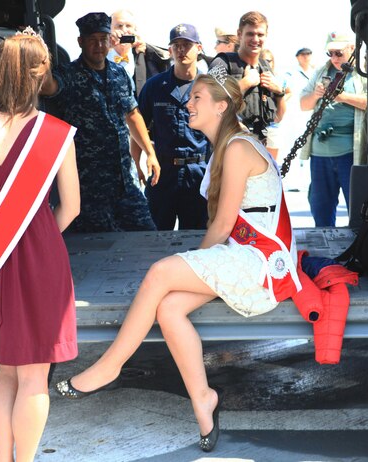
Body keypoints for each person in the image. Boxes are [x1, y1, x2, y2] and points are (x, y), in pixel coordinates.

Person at [55, 72, 300, 453]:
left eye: (198, 98)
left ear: (221, 106)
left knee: (160, 273)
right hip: (242, 255)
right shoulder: (226, 145)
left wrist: (194, 265)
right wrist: (198, 266)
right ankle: (204, 400)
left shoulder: (236, 147)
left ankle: (109, 367)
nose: (188, 105)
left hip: (263, 263)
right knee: (168, 308)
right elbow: (223, 228)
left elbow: (221, 224)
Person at [0, 28, 80, 462]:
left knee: (5, 374)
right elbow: (72, 209)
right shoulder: (55, 132)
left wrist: (4, 234)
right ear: (40, 73)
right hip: (40, 259)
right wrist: (37, 237)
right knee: (35, 378)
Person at [40, 12, 161, 232]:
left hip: (125, 182)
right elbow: (49, 86)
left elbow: (132, 115)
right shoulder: (68, 74)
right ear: (80, 42)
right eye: (92, 40)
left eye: (103, 39)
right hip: (90, 189)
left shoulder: (119, 73)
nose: (99, 45)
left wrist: (150, 153)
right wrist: (39, 58)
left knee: (147, 236)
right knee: (96, 252)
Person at [134, 23, 209, 230]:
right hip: (163, 173)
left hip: (198, 174)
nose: (181, 50)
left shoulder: (211, 87)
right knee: (156, 237)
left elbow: (225, 131)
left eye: (187, 44)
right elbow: (136, 126)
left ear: (199, 48)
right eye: (176, 45)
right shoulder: (155, 86)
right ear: (170, 50)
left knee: (196, 240)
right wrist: (137, 165)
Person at [300, 31, 367, 227]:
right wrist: (315, 95)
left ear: (352, 49)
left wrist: (342, 97)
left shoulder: (363, 72)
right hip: (320, 153)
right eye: (330, 54)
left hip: (349, 152)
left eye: (339, 53)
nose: (334, 58)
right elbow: (303, 104)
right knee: (320, 206)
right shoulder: (321, 72)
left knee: (355, 206)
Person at [209, 11, 289, 143]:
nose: (256, 39)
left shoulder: (266, 68)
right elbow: (210, 103)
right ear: (239, 34)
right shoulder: (222, 63)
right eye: (250, 34)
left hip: (259, 148)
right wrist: (245, 83)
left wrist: (279, 92)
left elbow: (278, 117)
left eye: (260, 34)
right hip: (228, 146)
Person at [107, 9, 170, 98]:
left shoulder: (144, 56)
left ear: (135, 30)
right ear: (109, 29)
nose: (124, 30)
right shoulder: (100, 56)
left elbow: (167, 57)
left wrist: (147, 48)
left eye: (128, 26)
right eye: (119, 26)